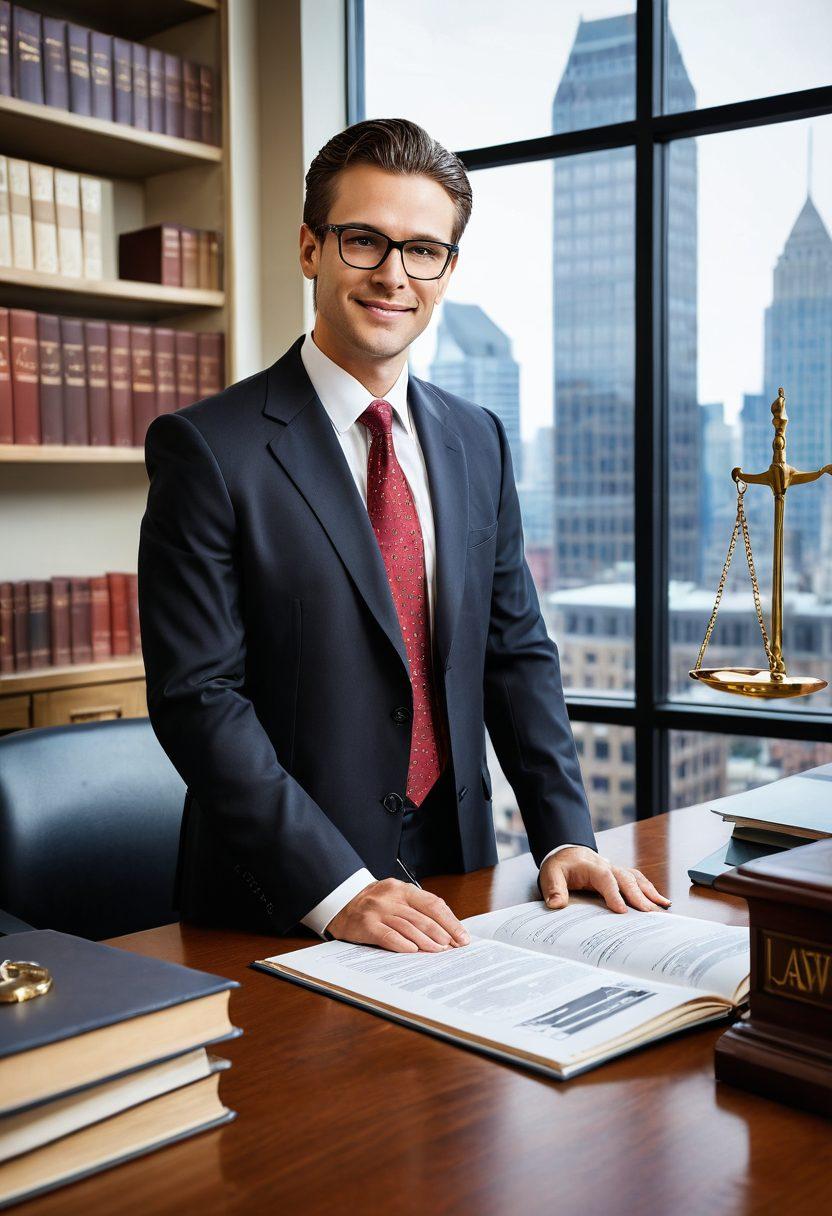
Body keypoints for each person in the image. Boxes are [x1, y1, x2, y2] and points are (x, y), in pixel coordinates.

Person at [138, 117, 670, 955]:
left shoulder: (479, 438)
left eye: (423, 250)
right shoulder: (207, 448)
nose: (394, 275)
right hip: (282, 906)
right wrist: (336, 889)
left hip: (459, 880)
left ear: (447, 270)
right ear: (311, 248)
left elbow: (515, 651)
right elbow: (197, 700)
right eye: (364, 242)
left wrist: (565, 836)